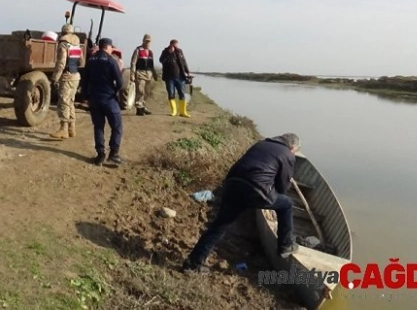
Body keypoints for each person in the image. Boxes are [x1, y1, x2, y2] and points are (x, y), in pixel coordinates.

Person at [182, 134, 302, 273]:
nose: (294, 153)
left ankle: (193, 263)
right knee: (286, 204)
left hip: (232, 184)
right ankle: (285, 245)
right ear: (292, 147)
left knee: (219, 225)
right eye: (295, 151)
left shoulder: (261, 144)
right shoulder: (287, 154)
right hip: (257, 191)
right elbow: (282, 188)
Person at [81, 37, 123, 166]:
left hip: (94, 99)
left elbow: (84, 80)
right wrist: (114, 91)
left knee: (98, 126)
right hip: (108, 99)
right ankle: (113, 154)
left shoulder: (91, 60)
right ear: (108, 47)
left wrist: (85, 97)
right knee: (116, 126)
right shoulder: (111, 61)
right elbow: (120, 82)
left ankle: (100, 155)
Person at [49, 24, 82, 139]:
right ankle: (71, 128)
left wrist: (55, 78)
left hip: (66, 77)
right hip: (76, 76)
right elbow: (81, 62)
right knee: (70, 102)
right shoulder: (77, 45)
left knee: (63, 102)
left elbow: (61, 63)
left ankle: (63, 129)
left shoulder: (63, 45)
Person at [159, 39, 192, 118]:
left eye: (177, 45)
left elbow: (184, 62)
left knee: (182, 94)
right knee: (171, 93)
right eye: (174, 45)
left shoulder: (180, 51)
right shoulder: (165, 52)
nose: (176, 47)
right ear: (171, 45)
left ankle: (183, 112)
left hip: (180, 77)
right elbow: (161, 60)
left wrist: (188, 72)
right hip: (169, 77)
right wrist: (169, 53)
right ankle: (174, 111)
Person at [129, 33, 159, 116]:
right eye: (146, 41)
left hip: (149, 74)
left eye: (149, 41)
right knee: (140, 91)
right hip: (140, 73)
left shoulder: (150, 52)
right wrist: (132, 73)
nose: (147, 43)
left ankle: (143, 106)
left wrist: (155, 74)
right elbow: (133, 63)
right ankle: (139, 107)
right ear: (143, 41)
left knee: (147, 92)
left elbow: (151, 65)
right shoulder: (138, 50)